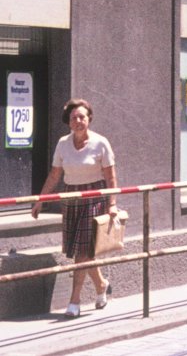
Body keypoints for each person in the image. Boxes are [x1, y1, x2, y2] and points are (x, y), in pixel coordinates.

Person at [31, 98, 119, 319]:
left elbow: (110, 177)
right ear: (68, 121)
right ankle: (101, 286)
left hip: (94, 197)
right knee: (82, 251)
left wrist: (112, 204)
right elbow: (54, 175)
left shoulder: (101, 143)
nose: (78, 121)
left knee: (82, 251)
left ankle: (75, 300)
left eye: (82, 117)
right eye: (73, 118)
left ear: (89, 119)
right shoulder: (63, 143)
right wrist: (41, 200)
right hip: (71, 197)